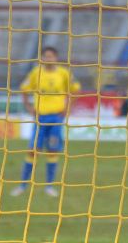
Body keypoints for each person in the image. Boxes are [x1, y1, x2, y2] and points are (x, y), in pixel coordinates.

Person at [12, 46, 80, 197]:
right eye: (46, 56)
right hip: (40, 118)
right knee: (33, 150)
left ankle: (49, 186)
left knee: (52, 150)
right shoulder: (36, 73)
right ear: (42, 58)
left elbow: (75, 89)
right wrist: (28, 107)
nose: (48, 59)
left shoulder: (64, 73)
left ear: (56, 58)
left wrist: (67, 109)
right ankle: (23, 185)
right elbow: (24, 88)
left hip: (56, 118)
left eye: (51, 56)